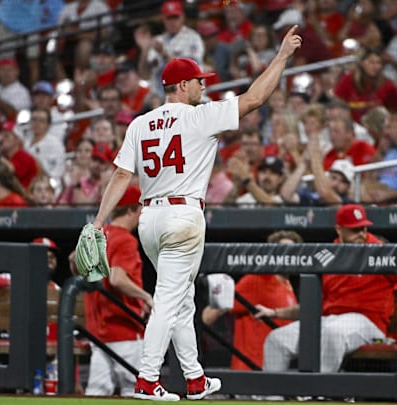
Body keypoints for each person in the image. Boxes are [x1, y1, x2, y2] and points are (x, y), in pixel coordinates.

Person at [89, 26, 303, 401]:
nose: (204, 87)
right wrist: (282, 56)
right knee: (169, 300)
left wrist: (98, 221)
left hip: (150, 220)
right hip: (183, 217)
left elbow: (122, 174)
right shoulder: (198, 116)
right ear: (183, 86)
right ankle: (147, 379)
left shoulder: (139, 124)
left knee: (182, 299)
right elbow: (255, 97)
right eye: (199, 82)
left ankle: (195, 378)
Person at [261, 204, 397, 373]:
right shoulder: (329, 256)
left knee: (334, 332)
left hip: (367, 322)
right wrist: (275, 313)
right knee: (276, 340)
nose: (361, 234)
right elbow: (315, 306)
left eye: (363, 228)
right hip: (330, 320)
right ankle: (274, 397)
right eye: (354, 230)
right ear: (339, 230)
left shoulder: (380, 251)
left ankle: (319, 394)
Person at [80, 185, 153, 397]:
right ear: (131, 210)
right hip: (124, 330)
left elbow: (74, 264)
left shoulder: (97, 236)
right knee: (135, 391)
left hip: (98, 332)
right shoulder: (125, 239)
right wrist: (146, 296)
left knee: (97, 392)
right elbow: (117, 278)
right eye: (141, 209)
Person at [201, 230, 301, 370]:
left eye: (293, 250)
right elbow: (210, 315)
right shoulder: (257, 280)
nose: (288, 254)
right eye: (283, 249)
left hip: (275, 369)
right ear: (272, 253)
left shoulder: (287, 285)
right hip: (251, 369)